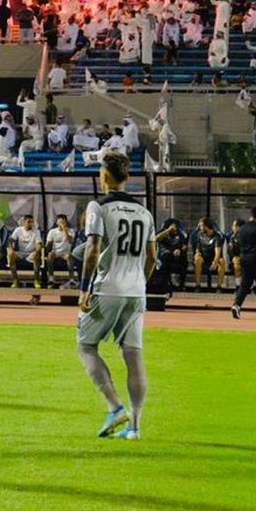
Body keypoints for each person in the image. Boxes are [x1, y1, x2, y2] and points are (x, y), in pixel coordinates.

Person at [76, 152, 155, 441]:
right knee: (133, 355)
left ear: (104, 176)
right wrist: (139, 283)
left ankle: (114, 406)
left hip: (106, 287)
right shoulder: (145, 212)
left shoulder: (98, 206)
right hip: (137, 291)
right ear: (127, 177)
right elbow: (152, 257)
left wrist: (84, 289)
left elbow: (93, 249)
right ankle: (134, 426)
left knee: (85, 346)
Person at [7, 215, 44, 289]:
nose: (30, 224)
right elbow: (11, 240)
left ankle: (36, 280)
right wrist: (11, 248)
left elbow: (39, 244)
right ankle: (15, 280)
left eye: (32, 222)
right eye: (29, 222)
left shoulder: (36, 231)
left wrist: (37, 251)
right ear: (24, 222)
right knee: (11, 254)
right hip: (20, 253)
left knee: (36, 255)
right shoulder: (18, 230)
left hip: (31, 253)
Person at [190, 217, 226, 293]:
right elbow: (197, 247)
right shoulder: (200, 234)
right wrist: (197, 253)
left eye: (202, 226)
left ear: (207, 226)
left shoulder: (217, 236)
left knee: (222, 261)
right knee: (197, 259)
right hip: (204, 259)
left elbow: (218, 253)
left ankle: (219, 287)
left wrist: (215, 262)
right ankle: (197, 286)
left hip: (214, 258)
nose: (200, 227)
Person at [44, 215, 76, 287]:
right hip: (55, 252)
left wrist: (65, 230)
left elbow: (70, 241)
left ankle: (71, 279)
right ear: (57, 222)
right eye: (60, 221)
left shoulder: (71, 231)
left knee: (69, 256)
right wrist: (48, 244)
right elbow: (48, 246)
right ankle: (51, 278)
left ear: (66, 222)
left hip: (65, 253)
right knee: (50, 255)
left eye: (63, 221)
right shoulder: (52, 232)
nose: (61, 223)